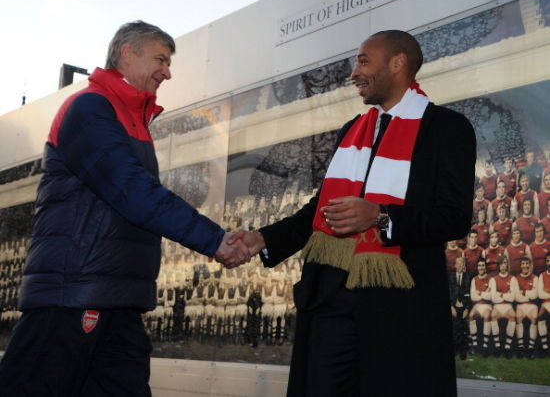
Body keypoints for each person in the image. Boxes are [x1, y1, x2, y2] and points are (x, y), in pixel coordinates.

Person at [0, 21, 250, 397]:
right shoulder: (90, 107)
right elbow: (134, 192)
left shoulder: (131, 118)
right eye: (160, 59)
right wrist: (214, 240)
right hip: (75, 297)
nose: (167, 72)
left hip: (118, 300)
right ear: (127, 53)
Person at [232, 30, 475, 396]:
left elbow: (452, 218)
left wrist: (380, 216)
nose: (354, 72)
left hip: (399, 312)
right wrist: (264, 238)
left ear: (397, 64)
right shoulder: (352, 131)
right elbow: (321, 211)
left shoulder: (447, 128)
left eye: (363, 61)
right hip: (332, 302)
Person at [489, 257, 517, 357]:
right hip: (497, 306)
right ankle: (497, 346)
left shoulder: (512, 278)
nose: (503, 266)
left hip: (508, 306)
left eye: (505, 263)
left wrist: (499, 294)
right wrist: (505, 295)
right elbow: (493, 298)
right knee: (493, 315)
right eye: (501, 264)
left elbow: (512, 298)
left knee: (512, 315)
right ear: (498, 266)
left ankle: (507, 347)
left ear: (507, 265)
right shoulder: (493, 279)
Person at [514, 257, 538, 358]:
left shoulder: (535, 278)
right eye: (523, 264)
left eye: (527, 264)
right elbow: (516, 297)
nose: (525, 266)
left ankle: (531, 348)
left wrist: (523, 292)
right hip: (521, 305)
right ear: (520, 266)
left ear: (530, 265)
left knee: (534, 317)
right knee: (518, 317)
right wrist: (529, 294)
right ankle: (521, 348)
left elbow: (535, 295)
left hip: (532, 305)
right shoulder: (516, 278)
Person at [468, 259, 492, 355]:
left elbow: (490, 297)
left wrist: (479, 293)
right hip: (477, 305)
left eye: (482, 265)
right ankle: (475, 345)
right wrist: (485, 293)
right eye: (479, 266)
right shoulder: (474, 279)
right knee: (471, 315)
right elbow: (473, 297)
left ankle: (485, 346)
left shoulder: (490, 279)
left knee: (487, 316)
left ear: (485, 267)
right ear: (477, 267)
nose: (481, 268)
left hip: (487, 305)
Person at [448, 257, 471, 359]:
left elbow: (470, 294)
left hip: (464, 307)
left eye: (462, 263)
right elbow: (449, 292)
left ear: (464, 266)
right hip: (454, 307)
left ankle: (463, 352)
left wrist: (467, 309)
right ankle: (456, 350)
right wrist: (451, 306)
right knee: (455, 329)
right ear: (455, 265)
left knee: (464, 329)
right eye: (458, 263)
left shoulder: (468, 277)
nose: (460, 265)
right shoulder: (450, 277)